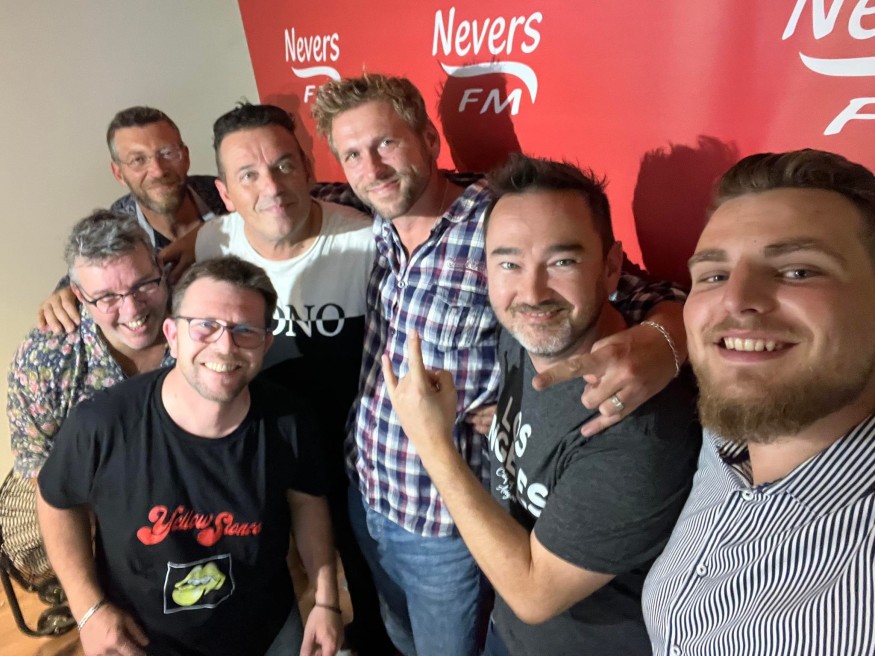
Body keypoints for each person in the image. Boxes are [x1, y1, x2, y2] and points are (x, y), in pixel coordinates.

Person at [311, 72, 689, 655]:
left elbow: (639, 293)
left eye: (386, 144)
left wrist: (664, 341)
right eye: (352, 155)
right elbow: (289, 200)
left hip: (444, 521)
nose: (373, 169)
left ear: (428, 140)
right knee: (398, 637)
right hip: (367, 489)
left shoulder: (500, 220)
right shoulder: (373, 220)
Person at [383, 154, 700, 656]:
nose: (531, 293)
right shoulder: (524, 338)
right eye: (509, 263)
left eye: (562, 262)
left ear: (611, 267)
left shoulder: (638, 427)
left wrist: (430, 440)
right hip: (509, 630)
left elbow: (535, 594)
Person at [36, 256, 342, 656]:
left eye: (245, 330)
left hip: (268, 635)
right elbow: (56, 503)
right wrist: (88, 610)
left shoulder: (289, 420)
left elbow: (307, 502)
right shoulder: (101, 423)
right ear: (173, 334)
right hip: (139, 642)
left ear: (266, 343)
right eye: (205, 326)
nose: (225, 346)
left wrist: (326, 601)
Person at [643, 149, 875, 656]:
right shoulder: (730, 430)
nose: (735, 299)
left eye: (799, 271)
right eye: (713, 276)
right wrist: (657, 338)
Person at [198, 102, 391, 655]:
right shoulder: (213, 244)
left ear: (308, 166)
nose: (272, 186)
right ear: (225, 192)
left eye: (283, 165)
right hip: (262, 456)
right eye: (249, 175)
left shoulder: (365, 242)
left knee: (370, 584)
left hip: (351, 456)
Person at [5, 210, 173, 577]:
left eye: (143, 285)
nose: (132, 309)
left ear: (161, 268)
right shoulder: (44, 361)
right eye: (107, 297)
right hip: (104, 521)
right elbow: (39, 465)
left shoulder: (201, 326)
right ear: (79, 295)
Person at [39, 106, 226, 333]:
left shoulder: (226, 192)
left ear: (185, 156)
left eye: (167, 153)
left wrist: (207, 234)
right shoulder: (117, 226)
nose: (157, 171)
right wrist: (63, 293)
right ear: (119, 173)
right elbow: (84, 273)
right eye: (138, 160)